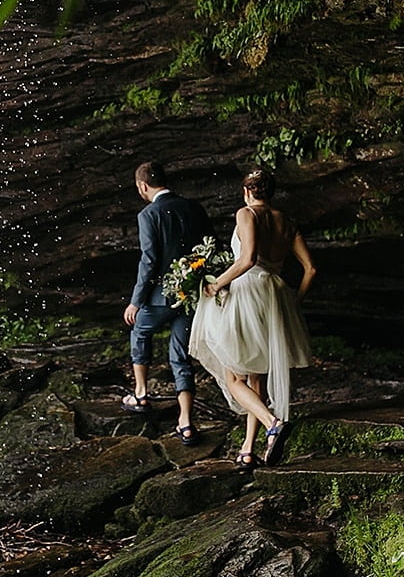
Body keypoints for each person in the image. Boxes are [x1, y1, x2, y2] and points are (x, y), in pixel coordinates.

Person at [189, 168, 317, 467]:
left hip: (247, 292)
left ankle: (273, 422)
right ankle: (248, 449)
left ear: (246, 191)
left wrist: (216, 284)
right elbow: (311, 269)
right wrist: (294, 301)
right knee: (256, 374)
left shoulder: (247, 214)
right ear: (270, 192)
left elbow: (246, 259)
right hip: (276, 294)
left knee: (234, 375)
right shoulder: (287, 222)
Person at [123, 160, 212, 444]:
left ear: (142, 186)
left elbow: (149, 261)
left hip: (161, 297)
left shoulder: (149, 214)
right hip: (192, 295)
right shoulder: (194, 207)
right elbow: (211, 245)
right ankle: (186, 422)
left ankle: (140, 394)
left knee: (139, 330)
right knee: (181, 356)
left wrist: (136, 302)